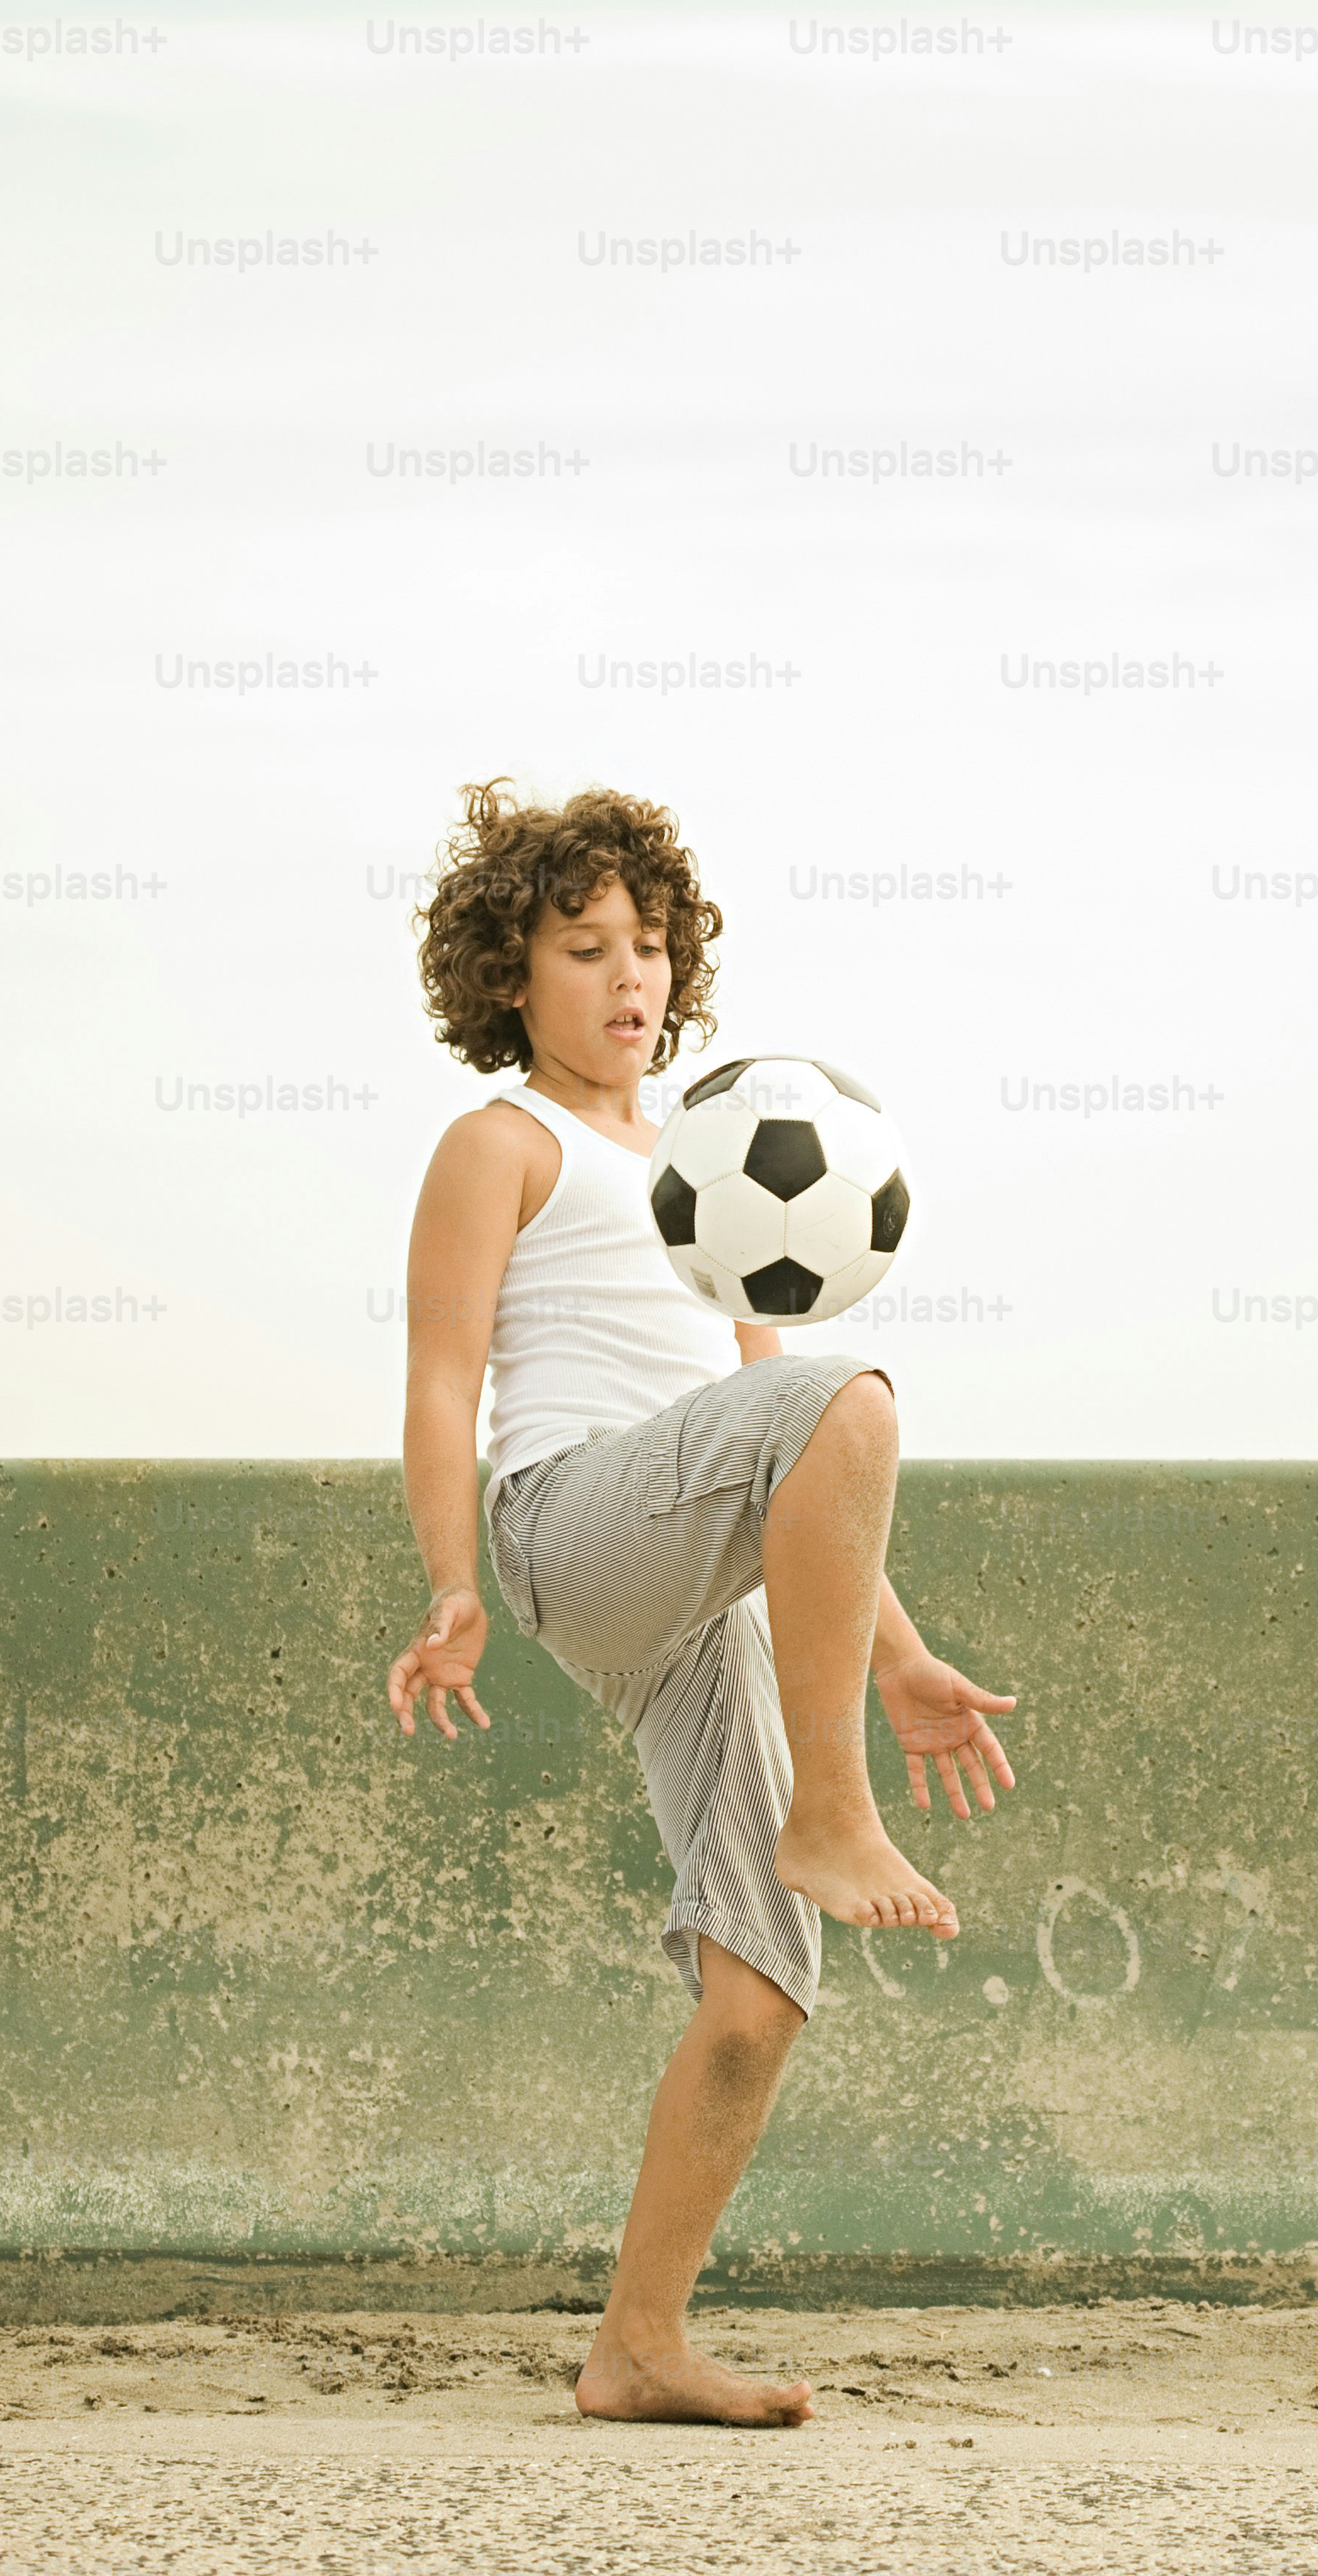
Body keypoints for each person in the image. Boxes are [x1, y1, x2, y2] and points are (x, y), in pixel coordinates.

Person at [383, 777, 1019, 2428]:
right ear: (509, 979)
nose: (628, 977)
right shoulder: (499, 1143)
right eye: (583, 946)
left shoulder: (712, 1169)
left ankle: (639, 2342)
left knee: (758, 1989)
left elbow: (780, 1453)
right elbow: (445, 1382)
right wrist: (454, 1586)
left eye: (650, 945)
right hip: (570, 1526)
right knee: (854, 1391)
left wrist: (901, 1651)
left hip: (686, 1580)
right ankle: (834, 1810)